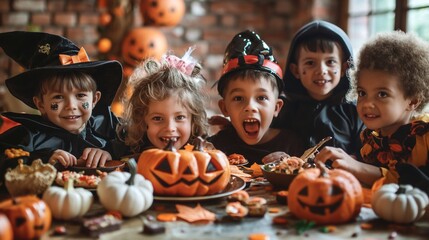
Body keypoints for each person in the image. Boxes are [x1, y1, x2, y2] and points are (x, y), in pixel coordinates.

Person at [315, 31, 429, 193]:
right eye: (362, 93)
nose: (367, 103)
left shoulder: (426, 137)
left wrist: (359, 168)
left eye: (382, 94)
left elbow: (420, 185)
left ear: (412, 101)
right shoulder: (370, 141)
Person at [0, 31, 123, 172]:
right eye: (58, 97)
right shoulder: (28, 137)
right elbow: (5, 161)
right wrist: (43, 159)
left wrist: (109, 153)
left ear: (95, 99)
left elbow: (139, 148)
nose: (71, 106)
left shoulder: (108, 125)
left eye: (80, 95)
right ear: (40, 104)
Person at [267, 20, 364, 162]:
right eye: (310, 63)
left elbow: (365, 153)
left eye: (330, 62)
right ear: (296, 70)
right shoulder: (283, 109)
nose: (321, 71)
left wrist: (351, 160)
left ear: (344, 69)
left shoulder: (355, 111)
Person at [208, 30, 305, 165]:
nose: (250, 107)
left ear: (277, 107)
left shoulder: (292, 145)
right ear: (224, 108)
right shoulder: (217, 146)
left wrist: (290, 165)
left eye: (261, 98)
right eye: (238, 98)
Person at [119, 47, 208, 154]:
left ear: (193, 121)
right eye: (157, 118)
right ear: (142, 120)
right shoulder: (126, 151)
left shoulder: (203, 154)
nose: (170, 128)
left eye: (179, 117)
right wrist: (107, 153)